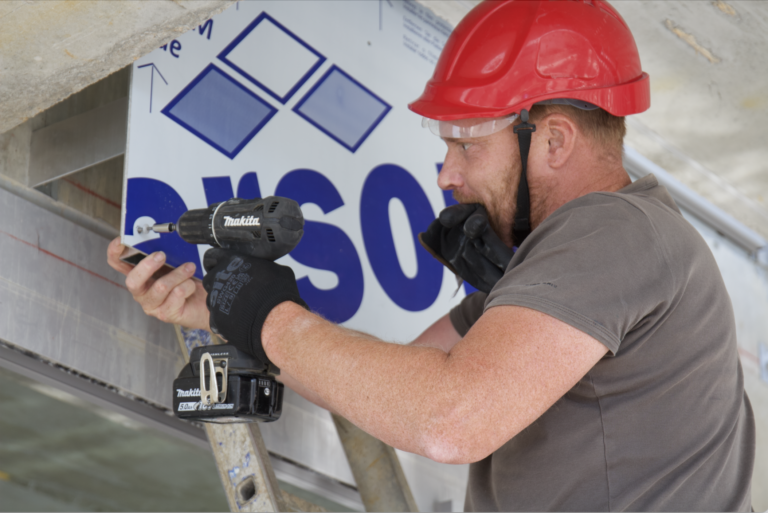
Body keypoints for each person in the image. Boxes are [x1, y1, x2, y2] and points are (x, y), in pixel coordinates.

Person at [108, 0, 755, 510]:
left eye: (468, 145)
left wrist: (268, 316)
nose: (447, 174)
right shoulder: (571, 269)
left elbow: (447, 418)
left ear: (553, 141)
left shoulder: (617, 231)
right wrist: (219, 313)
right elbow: (408, 377)